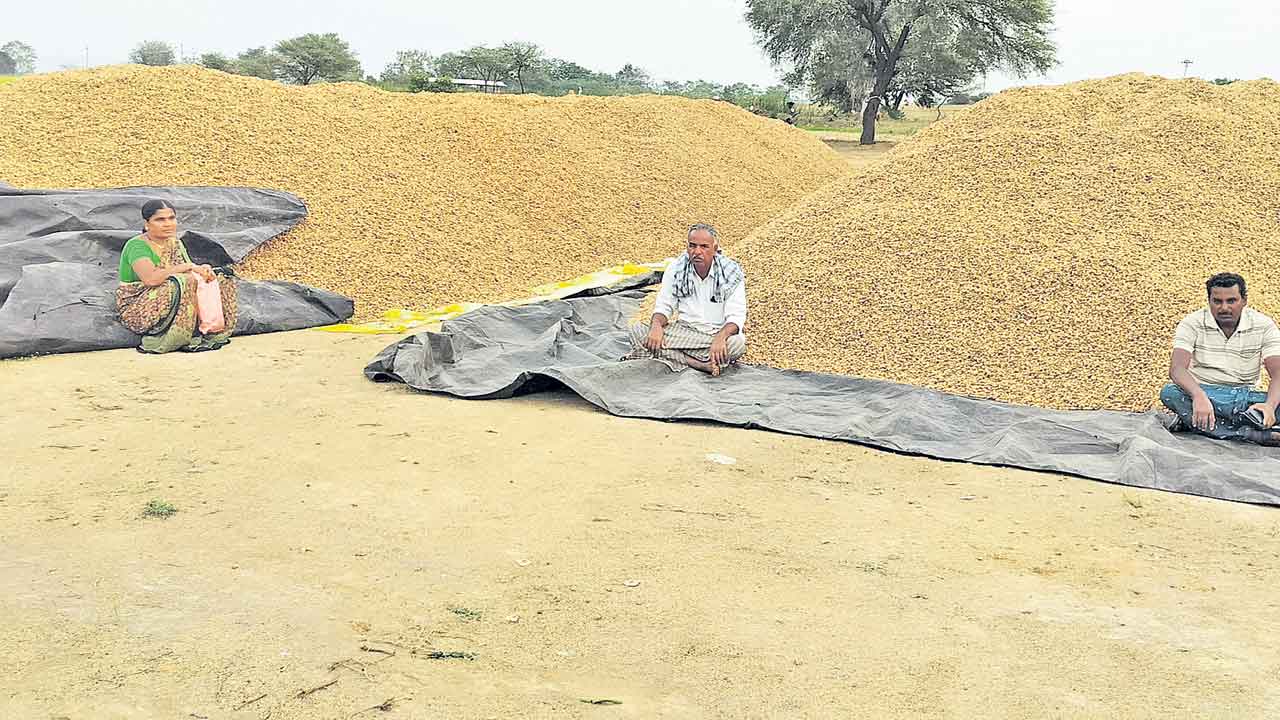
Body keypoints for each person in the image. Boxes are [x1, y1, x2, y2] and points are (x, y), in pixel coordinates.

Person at [1160, 272, 1280, 445]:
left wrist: (1269, 406)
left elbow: (1277, 373)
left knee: (1272, 403)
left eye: (1231, 301)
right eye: (1217, 301)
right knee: (1170, 393)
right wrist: (1198, 396)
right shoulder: (1192, 323)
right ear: (1209, 301)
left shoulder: (1263, 325)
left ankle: (1197, 423)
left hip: (1246, 397)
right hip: (1206, 393)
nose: (1224, 308)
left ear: (1244, 300)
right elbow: (1177, 369)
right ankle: (1249, 432)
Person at [115, 199, 238, 353]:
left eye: (171, 218)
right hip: (138, 306)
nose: (168, 224)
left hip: (167, 295)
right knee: (182, 281)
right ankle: (176, 334)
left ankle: (211, 328)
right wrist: (188, 267)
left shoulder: (174, 243)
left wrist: (203, 269)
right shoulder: (137, 245)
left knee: (219, 277)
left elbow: (190, 269)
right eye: (160, 219)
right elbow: (151, 279)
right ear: (147, 223)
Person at [624, 223, 746, 376]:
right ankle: (698, 364)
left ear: (715, 249)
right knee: (638, 331)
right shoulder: (676, 269)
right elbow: (664, 306)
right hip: (683, 331)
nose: (697, 252)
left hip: (715, 334)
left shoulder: (731, 273)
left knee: (737, 344)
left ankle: (666, 355)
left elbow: (736, 316)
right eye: (692, 246)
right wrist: (656, 326)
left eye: (704, 247)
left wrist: (720, 338)